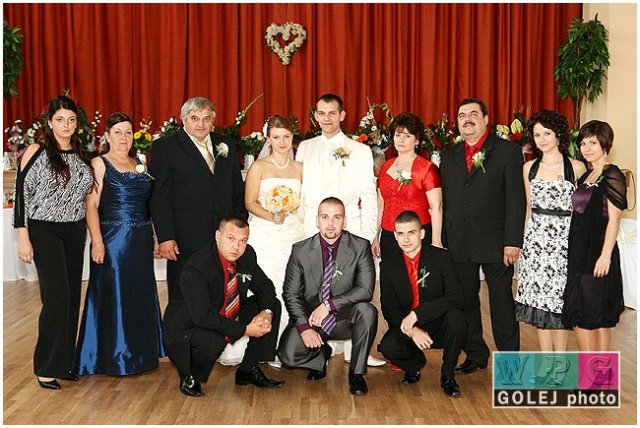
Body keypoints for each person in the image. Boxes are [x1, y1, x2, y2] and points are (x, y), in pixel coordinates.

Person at [295, 93, 384, 366]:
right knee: (318, 288)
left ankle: (356, 348)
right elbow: (300, 192)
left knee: (350, 288)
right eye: (321, 113)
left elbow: (368, 194)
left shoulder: (359, 150)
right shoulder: (305, 147)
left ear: (342, 115)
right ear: (315, 116)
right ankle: (325, 343)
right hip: (314, 229)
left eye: (332, 113)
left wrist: (367, 235)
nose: (326, 118)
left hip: (350, 227)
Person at [73, 112, 166, 376]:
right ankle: (114, 357)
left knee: (139, 294)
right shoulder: (99, 163)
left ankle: (141, 355)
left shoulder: (140, 164)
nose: (124, 137)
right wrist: (97, 242)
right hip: (113, 240)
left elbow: (149, 205)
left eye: (128, 132)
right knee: (114, 295)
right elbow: (91, 205)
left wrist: (156, 237)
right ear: (107, 136)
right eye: (117, 132)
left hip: (141, 240)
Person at [439, 98, 526, 375]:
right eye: (461, 115)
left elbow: (516, 199)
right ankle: (476, 354)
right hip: (459, 242)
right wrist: (443, 239)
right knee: (466, 301)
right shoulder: (449, 156)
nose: (467, 119)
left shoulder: (508, 152)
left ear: (486, 119)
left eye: (473, 114)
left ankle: (510, 363)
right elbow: (446, 200)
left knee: (501, 303)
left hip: (496, 243)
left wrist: (513, 241)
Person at [13, 95, 94, 389]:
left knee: (71, 297)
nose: (66, 125)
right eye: (60, 120)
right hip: (44, 230)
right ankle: (46, 366)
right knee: (57, 296)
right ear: (49, 122)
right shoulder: (37, 151)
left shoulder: (82, 153)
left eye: (71, 120)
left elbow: (87, 195)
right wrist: (23, 237)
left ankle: (65, 363)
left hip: (75, 230)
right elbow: (21, 194)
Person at [163, 216, 284, 396]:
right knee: (214, 340)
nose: (237, 247)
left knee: (272, 306)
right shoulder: (197, 266)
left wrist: (266, 312)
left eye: (242, 241)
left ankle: (248, 368)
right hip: (189, 324)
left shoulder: (246, 255)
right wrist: (245, 330)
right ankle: (190, 375)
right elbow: (203, 316)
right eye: (231, 238)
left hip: (225, 310)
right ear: (218, 236)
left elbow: (264, 285)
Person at [149, 97, 248, 305]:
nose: (201, 124)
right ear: (183, 119)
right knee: (184, 296)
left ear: (213, 120)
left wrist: (239, 226)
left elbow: (236, 189)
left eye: (206, 118)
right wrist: (165, 236)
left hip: (223, 236)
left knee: (219, 294)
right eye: (194, 118)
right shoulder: (165, 147)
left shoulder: (225, 144)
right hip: (185, 238)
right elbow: (159, 196)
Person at [279, 197, 377, 396]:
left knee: (367, 311)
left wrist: (329, 305)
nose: (330, 223)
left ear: (344, 221)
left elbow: (365, 290)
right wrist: (305, 328)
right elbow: (291, 294)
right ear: (317, 220)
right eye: (325, 217)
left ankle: (356, 374)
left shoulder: (360, 247)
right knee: (288, 356)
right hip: (313, 319)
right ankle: (320, 356)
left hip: (344, 319)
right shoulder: (300, 250)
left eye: (337, 217)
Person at [514, 110, 586, 354]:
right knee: (539, 305)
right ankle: (546, 362)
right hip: (536, 244)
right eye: (537, 135)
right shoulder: (529, 168)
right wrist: (524, 244)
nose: (542, 139)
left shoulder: (576, 167)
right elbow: (528, 206)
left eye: (546, 133)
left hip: (564, 244)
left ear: (558, 134)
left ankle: (560, 362)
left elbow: (583, 210)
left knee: (559, 304)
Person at [378, 211, 466, 396]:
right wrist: (412, 329)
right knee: (387, 346)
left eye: (411, 233)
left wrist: (418, 314)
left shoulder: (441, 257)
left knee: (456, 319)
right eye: (400, 234)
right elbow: (390, 310)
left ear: (422, 233)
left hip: (438, 322)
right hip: (408, 325)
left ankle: (448, 375)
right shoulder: (388, 265)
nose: (406, 239)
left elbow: (456, 297)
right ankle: (414, 365)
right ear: (395, 236)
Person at [243, 115, 304, 367]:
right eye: (276, 137)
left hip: (293, 233)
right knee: (266, 283)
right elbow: (249, 202)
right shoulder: (259, 167)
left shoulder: (299, 168)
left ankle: (286, 346)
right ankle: (259, 345)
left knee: (292, 286)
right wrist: (272, 216)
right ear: (269, 138)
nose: (282, 142)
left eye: (286, 137)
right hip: (266, 233)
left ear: (292, 138)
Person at [562, 120, 627, 351]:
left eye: (593, 143)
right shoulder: (586, 176)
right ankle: (594, 370)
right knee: (584, 314)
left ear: (605, 144)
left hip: (598, 253)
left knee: (594, 316)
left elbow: (614, 220)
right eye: (583, 143)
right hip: (579, 251)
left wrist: (605, 256)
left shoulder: (613, 175)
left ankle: (595, 371)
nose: (587, 148)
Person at [372, 112, 443, 261]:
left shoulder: (427, 168)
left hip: (416, 236)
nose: (401, 140)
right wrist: (376, 235)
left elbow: (436, 207)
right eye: (398, 135)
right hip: (389, 236)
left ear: (417, 140)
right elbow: (381, 204)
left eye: (407, 136)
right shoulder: (385, 167)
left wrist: (436, 242)